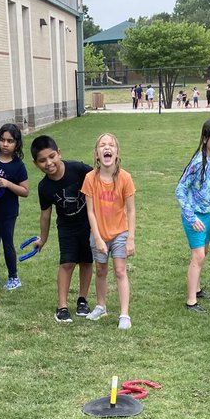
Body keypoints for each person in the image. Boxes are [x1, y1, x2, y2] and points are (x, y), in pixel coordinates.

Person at [30, 134, 93, 324]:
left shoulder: (79, 169)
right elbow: (45, 215)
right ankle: (62, 306)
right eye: (42, 160)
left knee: (87, 261)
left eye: (51, 157)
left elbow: (99, 182)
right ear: (36, 164)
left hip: (89, 223)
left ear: (59, 153)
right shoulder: (44, 187)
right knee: (67, 263)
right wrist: (43, 238)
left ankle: (82, 300)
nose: (49, 163)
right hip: (66, 227)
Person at [174, 117, 210, 313]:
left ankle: (197, 289)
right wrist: (191, 217)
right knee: (198, 256)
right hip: (194, 216)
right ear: (205, 139)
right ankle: (191, 302)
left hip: (207, 215)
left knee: (203, 253)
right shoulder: (198, 162)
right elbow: (180, 190)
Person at [83, 133, 136, 330]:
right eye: (102, 145)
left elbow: (131, 210)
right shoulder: (90, 178)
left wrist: (130, 238)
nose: (107, 148)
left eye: (111, 145)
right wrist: (97, 238)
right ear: (97, 154)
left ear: (116, 152)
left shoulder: (125, 178)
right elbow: (90, 211)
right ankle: (101, 306)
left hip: (120, 232)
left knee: (120, 271)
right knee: (101, 270)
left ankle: (124, 314)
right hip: (99, 234)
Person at [0, 123, 29, 290]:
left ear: (16, 144)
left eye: (10, 141)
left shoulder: (18, 166)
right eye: (2, 140)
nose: (5, 144)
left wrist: (8, 184)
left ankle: (13, 277)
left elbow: (25, 191)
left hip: (8, 212)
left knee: (7, 242)